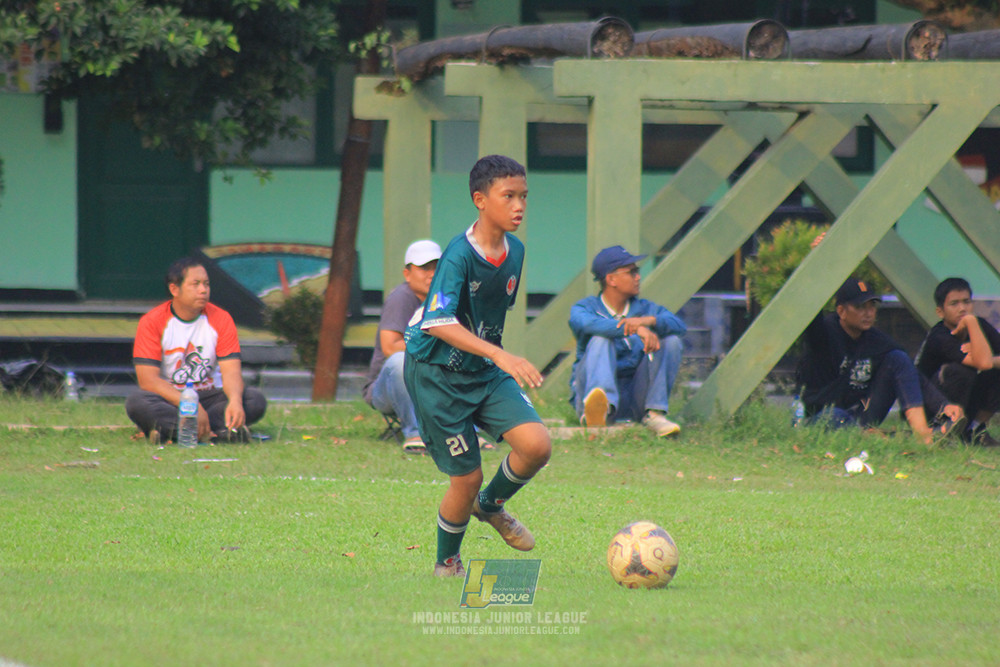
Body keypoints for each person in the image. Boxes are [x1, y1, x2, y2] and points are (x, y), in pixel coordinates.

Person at [404, 154, 551, 578]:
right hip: (436, 376)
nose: (519, 206)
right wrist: (500, 355)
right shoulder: (457, 256)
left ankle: (489, 506)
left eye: (524, 196)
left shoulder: (515, 251)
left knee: (537, 446)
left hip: (483, 370)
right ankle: (447, 563)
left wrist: (493, 356)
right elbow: (437, 321)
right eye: (509, 196)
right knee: (466, 479)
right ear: (480, 200)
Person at [797, 277, 963, 445]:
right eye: (860, 307)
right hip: (823, 416)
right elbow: (810, 310)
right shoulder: (823, 333)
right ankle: (888, 438)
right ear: (841, 311)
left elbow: (909, 372)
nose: (868, 313)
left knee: (898, 357)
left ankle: (922, 434)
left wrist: (943, 406)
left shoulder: (875, 339)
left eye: (872, 306)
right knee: (835, 417)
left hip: (862, 415)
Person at [126, 257, 267, 444]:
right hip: (172, 399)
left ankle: (172, 432)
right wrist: (190, 406)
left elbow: (231, 372)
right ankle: (220, 432)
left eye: (206, 284)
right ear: (174, 289)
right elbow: (148, 380)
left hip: (210, 397)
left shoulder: (221, 318)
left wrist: (235, 401)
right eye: (195, 284)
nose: (203, 290)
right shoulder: (151, 322)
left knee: (254, 400)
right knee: (137, 402)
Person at [568, 245, 686, 437]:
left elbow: (679, 326)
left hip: (634, 394)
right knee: (600, 339)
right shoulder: (585, 308)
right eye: (632, 272)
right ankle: (599, 411)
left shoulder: (645, 308)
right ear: (611, 279)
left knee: (671, 341)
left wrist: (648, 321)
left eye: (637, 272)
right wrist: (633, 328)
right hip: (591, 390)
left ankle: (655, 415)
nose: (638, 277)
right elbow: (587, 324)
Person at [363, 239, 441, 453]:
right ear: (407, 274)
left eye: (437, 268)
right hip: (387, 389)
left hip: (428, 383)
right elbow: (390, 347)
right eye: (424, 268)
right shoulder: (401, 298)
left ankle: (468, 432)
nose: (432, 274)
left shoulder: (444, 300)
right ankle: (416, 433)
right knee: (400, 360)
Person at [915, 277, 1000, 446]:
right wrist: (970, 322)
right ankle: (946, 429)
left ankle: (975, 429)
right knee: (960, 371)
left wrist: (985, 355)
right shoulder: (939, 336)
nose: (962, 308)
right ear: (940, 312)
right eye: (954, 304)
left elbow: (985, 362)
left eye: (966, 302)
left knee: (994, 372)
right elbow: (982, 364)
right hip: (933, 404)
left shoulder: (979, 325)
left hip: (966, 399)